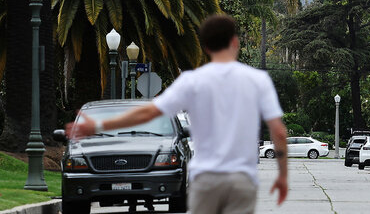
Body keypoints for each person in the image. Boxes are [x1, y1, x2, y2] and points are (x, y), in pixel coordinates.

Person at [66, 14, 289, 214]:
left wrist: (97, 127)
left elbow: (148, 113)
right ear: (235, 42)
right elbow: (278, 131)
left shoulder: (192, 82)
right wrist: (282, 175)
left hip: (206, 179)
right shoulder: (258, 80)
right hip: (242, 179)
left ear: (206, 47)